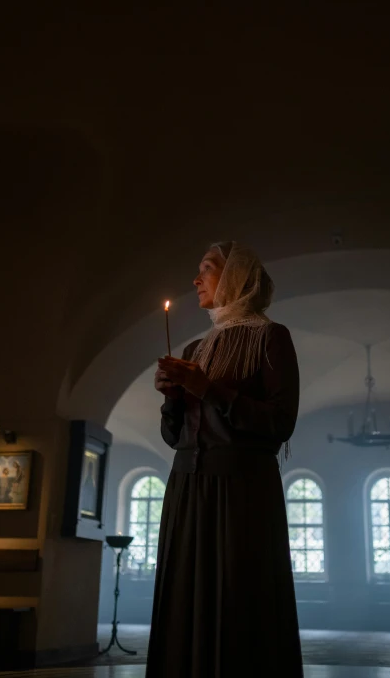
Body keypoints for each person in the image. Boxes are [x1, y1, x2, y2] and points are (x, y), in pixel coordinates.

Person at [146, 241, 303, 678]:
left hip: (240, 495)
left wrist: (207, 389)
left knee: (237, 601)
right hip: (188, 491)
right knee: (184, 600)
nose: (196, 279)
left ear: (235, 276)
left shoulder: (271, 337)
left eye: (207, 268)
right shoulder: (196, 349)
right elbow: (174, 436)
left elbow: (280, 422)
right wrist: (172, 398)